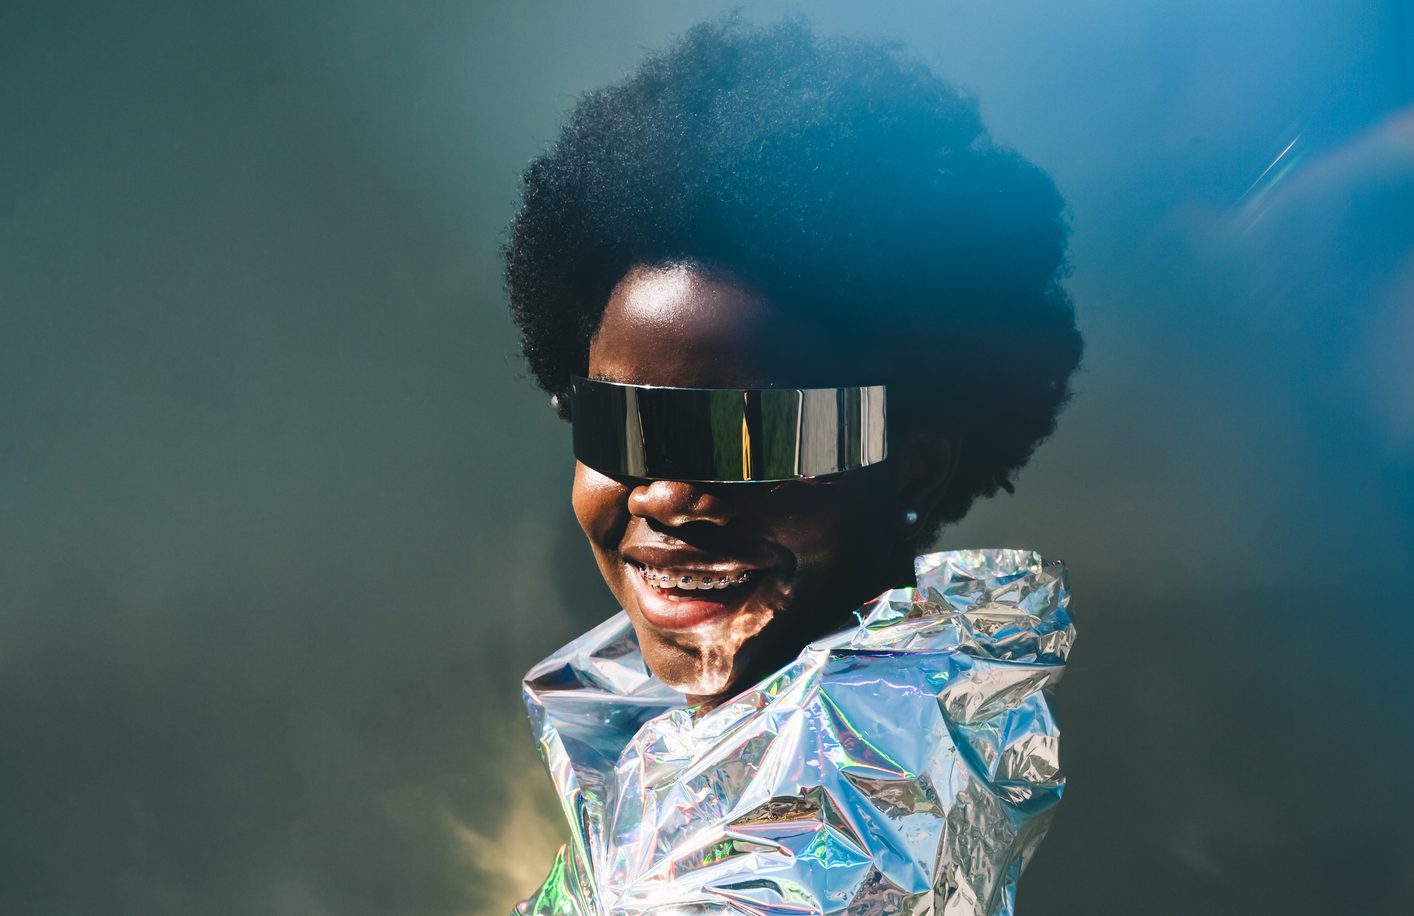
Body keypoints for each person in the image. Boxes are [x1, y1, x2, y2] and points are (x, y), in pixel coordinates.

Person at [502, 17, 1083, 915]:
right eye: (622, 427)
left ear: (912, 467)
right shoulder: (771, 752)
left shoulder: (812, 846)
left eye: (752, 440)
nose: (668, 495)